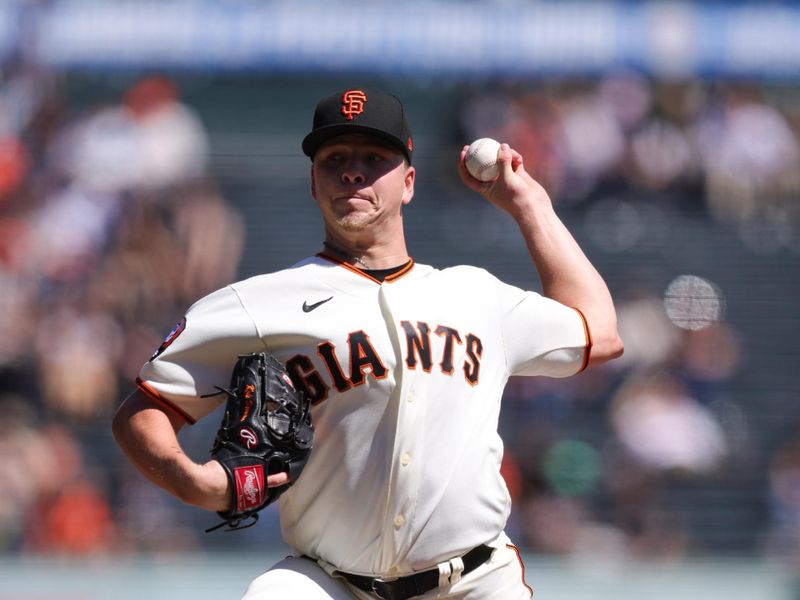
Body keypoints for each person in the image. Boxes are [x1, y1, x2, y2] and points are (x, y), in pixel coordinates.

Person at [112, 88, 624, 599]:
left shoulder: (475, 295)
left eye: (374, 159)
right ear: (314, 182)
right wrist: (193, 482)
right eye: (335, 160)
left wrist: (530, 205)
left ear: (408, 183)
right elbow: (142, 411)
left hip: (474, 582)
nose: (353, 172)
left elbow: (598, 332)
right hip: (329, 582)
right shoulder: (257, 303)